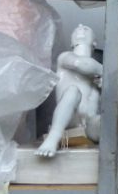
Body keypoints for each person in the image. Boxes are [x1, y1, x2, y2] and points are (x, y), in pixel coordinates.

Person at [36, 24, 102, 157]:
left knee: (108, 120)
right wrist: (105, 71)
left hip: (89, 124)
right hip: (69, 121)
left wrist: (104, 83)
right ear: (72, 43)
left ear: (94, 43)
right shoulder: (65, 57)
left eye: (87, 28)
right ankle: (53, 137)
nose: (81, 26)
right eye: (76, 29)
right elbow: (82, 64)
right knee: (73, 91)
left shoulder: (97, 76)